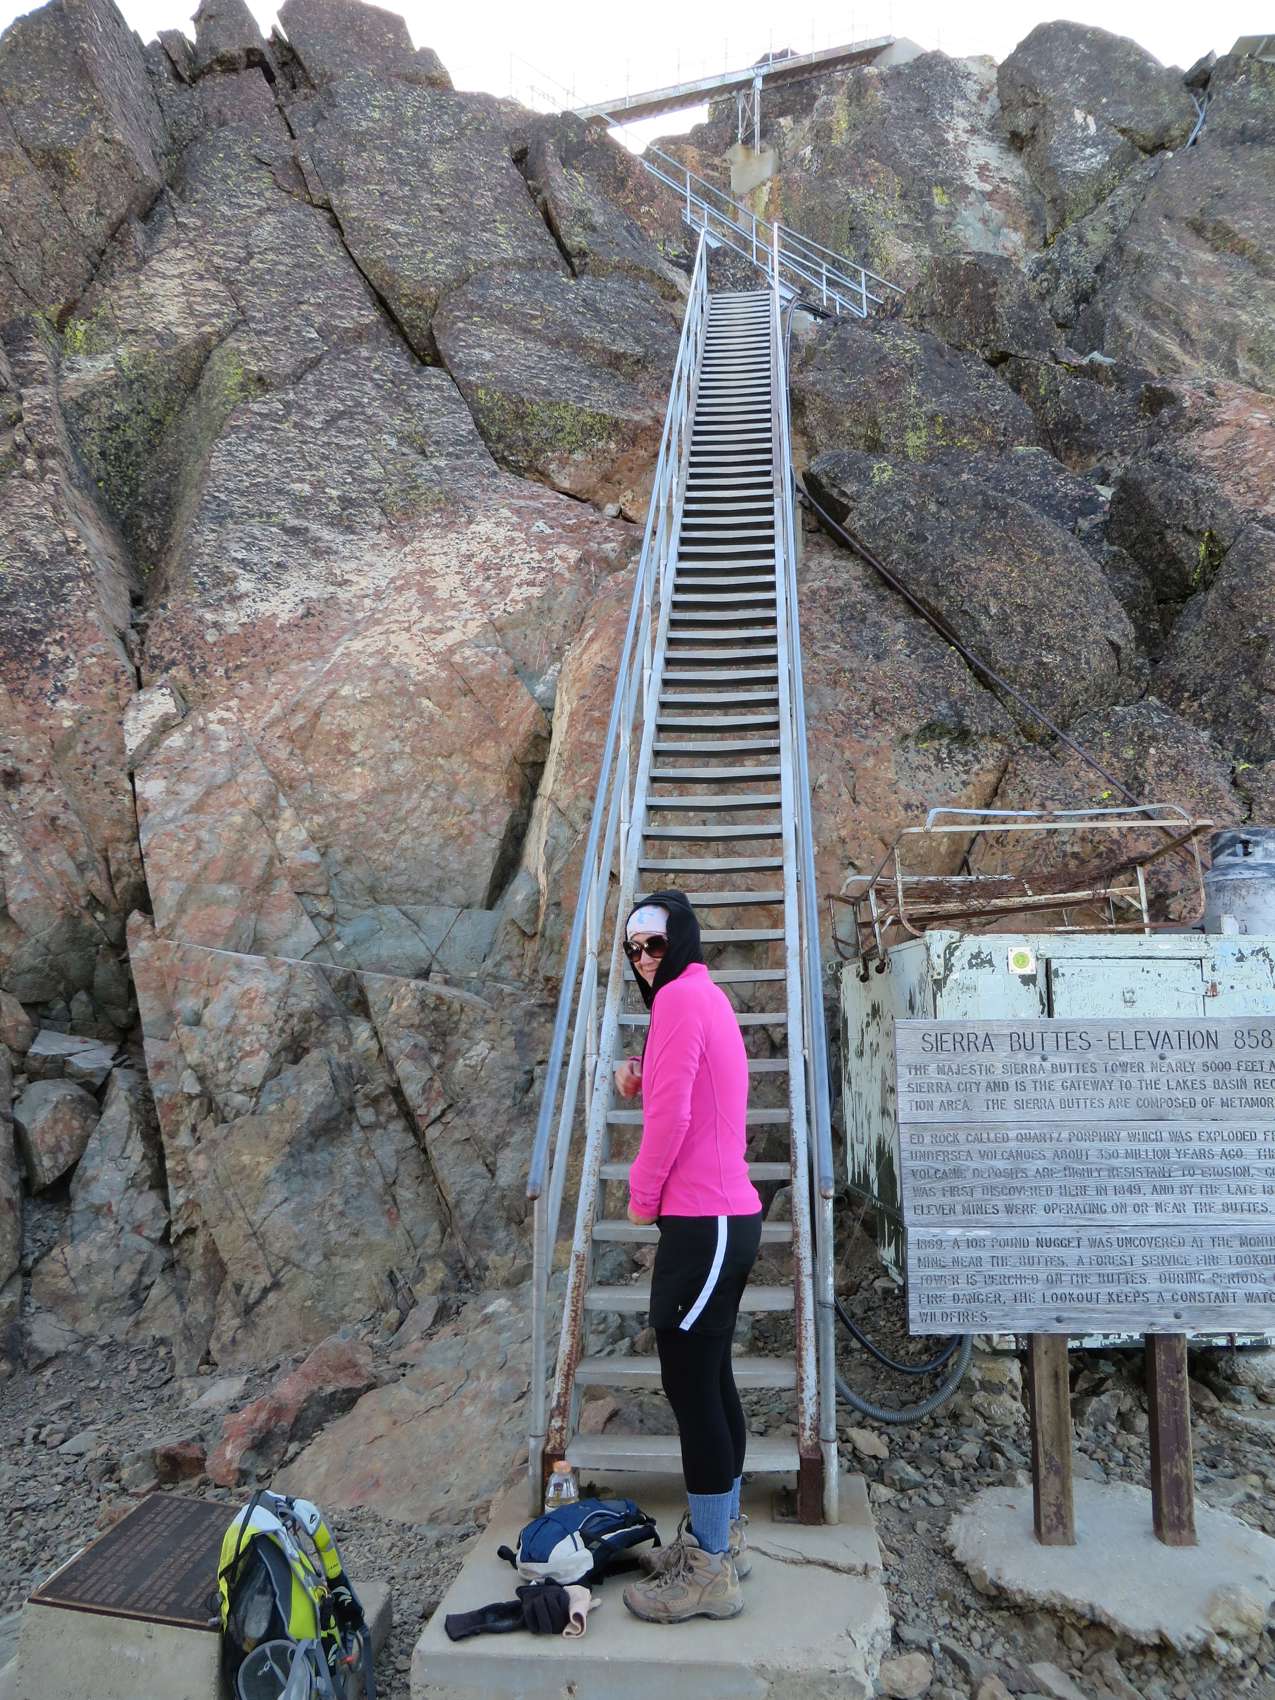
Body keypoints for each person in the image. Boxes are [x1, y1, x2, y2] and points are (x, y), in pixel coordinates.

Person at [614, 889, 763, 1625]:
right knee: (712, 1380)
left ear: (682, 942)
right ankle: (721, 1540)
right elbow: (697, 1084)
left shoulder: (677, 1000)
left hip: (702, 1222)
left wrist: (642, 1197)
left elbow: (674, 1117)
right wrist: (641, 1074)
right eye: (633, 948)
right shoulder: (703, 994)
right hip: (729, 1218)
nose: (644, 958)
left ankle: (707, 1568)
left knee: (691, 1389)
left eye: (654, 944)